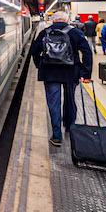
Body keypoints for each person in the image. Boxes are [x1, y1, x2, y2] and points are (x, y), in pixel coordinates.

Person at [31, 11, 93, 147]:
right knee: (70, 100)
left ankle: (57, 136)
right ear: (67, 20)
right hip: (71, 72)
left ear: (53, 20)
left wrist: (39, 65)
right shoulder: (75, 32)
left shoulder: (45, 32)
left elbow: (34, 50)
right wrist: (86, 73)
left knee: (54, 103)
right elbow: (87, 52)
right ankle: (70, 127)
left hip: (50, 72)